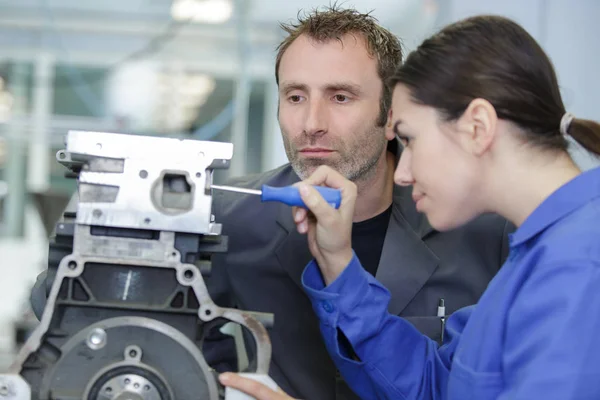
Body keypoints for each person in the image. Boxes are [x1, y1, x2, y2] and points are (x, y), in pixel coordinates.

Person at [29, 7, 512, 400]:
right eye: (295, 96)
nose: (312, 123)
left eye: (341, 97)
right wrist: (118, 218)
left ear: (392, 116)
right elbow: (71, 310)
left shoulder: (482, 232)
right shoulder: (227, 218)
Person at [220, 14, 600, 400]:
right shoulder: (539, 256)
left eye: (410, 139)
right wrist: (339, 266)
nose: (401, 171)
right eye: (295, 96)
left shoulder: (581, 265)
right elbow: (435, 386)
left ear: (478, 127)